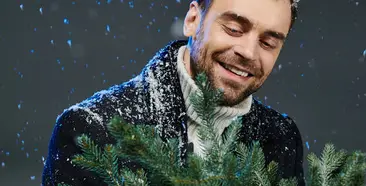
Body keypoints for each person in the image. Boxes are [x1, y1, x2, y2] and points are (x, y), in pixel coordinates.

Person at [42, 0, 304, 185]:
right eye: (234, 29)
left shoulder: (281, 139)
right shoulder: (92, 130)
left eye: (268, 43)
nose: (248, 52)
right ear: (192, 21)